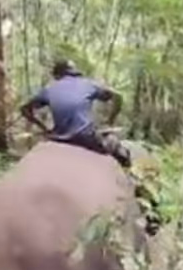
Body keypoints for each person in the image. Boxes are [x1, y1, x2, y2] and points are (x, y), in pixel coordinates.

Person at [20, 59, 162, 235]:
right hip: (86, 138)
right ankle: (150, 213)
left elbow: (24, 109)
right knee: (124, 156)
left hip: (58, 138)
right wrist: (110, 120)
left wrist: (43, 128)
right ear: (74, 72)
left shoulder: (49, 89)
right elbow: (117, 96)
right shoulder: (87, 84)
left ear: (57, 75)